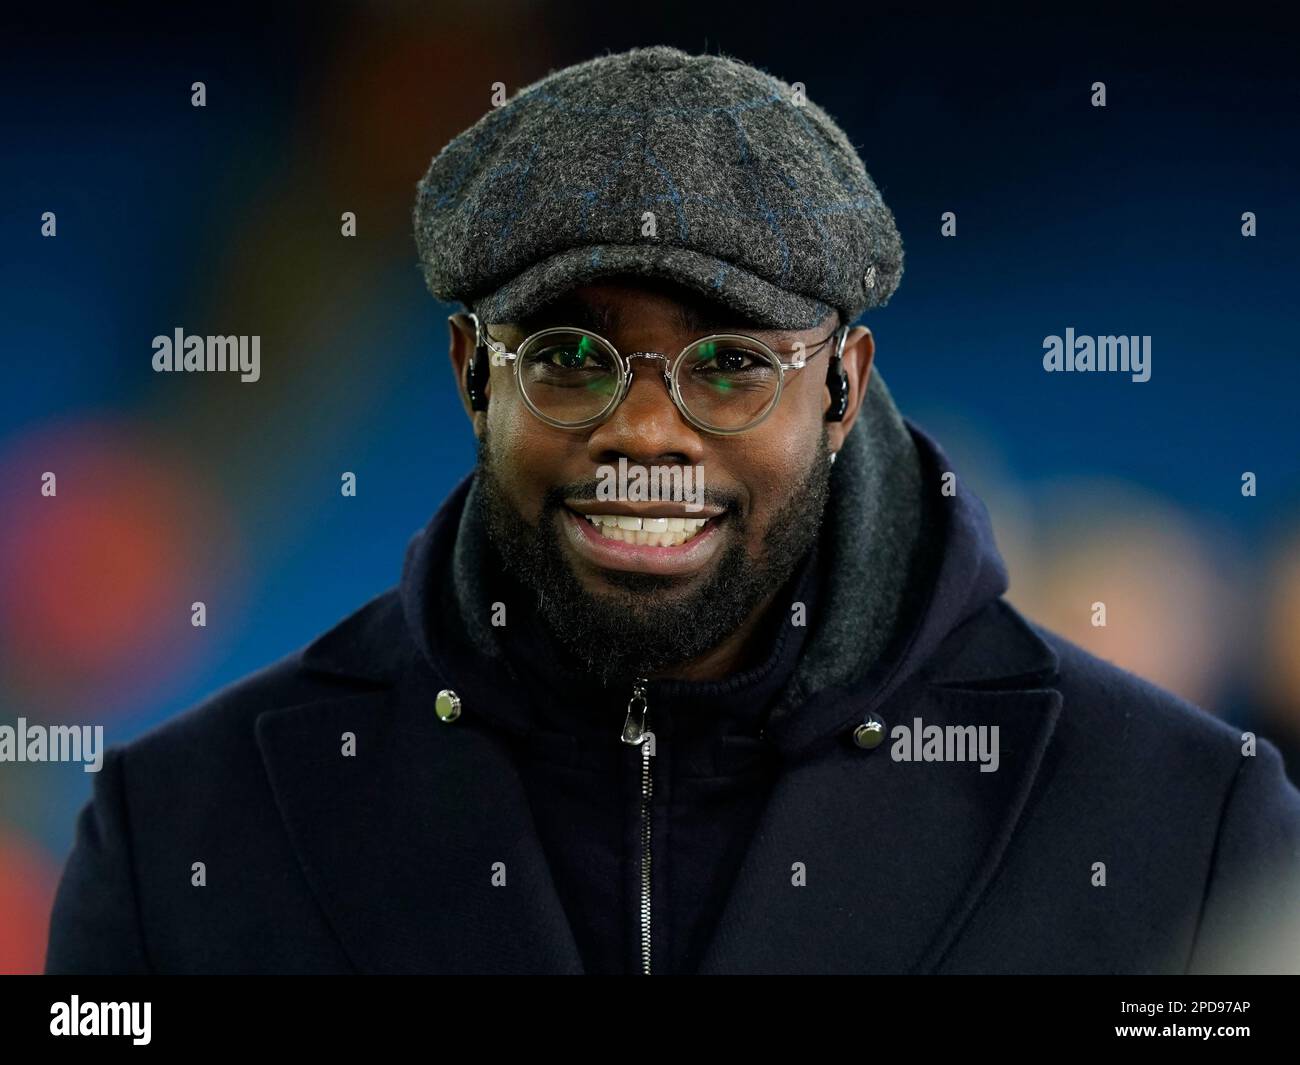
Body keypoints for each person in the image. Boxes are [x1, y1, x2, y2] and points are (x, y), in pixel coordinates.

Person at [46, 45, 1300, 975]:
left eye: (730, 363)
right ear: (472, 374)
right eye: (571, 358)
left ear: (843, 387)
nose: (646, 428)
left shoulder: (1187, 824)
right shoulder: (179, 833)